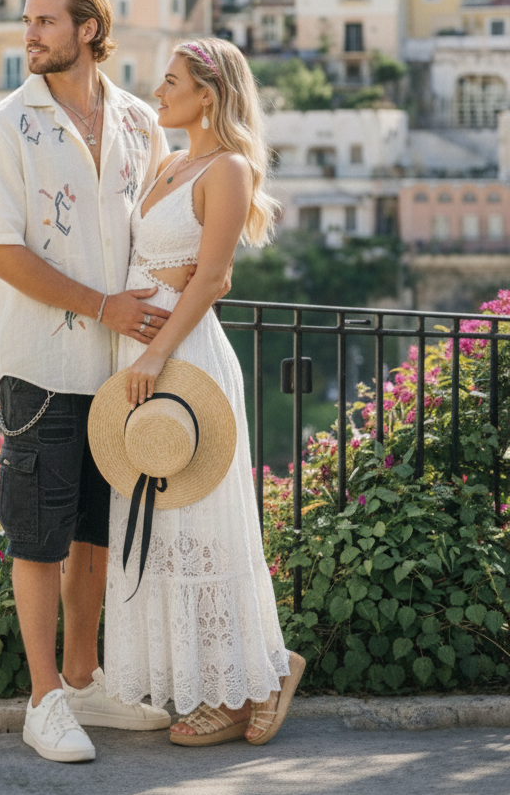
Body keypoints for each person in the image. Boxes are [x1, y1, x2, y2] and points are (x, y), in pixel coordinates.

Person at [0, 0, 173, 764]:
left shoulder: (140, 122)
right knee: (38, 534)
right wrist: (102, 305)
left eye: (46, 21)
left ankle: (85, 680)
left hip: (122, 366)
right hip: (42, 363)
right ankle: (43, 698)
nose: (30, 34)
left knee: (93, 530)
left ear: (89, 29)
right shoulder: (4, 127)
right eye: (28, 20)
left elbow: (163, 229)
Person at [103, 37, 305, 747]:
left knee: (205, 525)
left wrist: (156, 352)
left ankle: (247, 683)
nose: (158, 92)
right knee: (162, 526)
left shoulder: (230, 169)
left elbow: (213, 276)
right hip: (141, 356)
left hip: (183, 358)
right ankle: (235, 674)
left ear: (208, 95)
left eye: (171, 81)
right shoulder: (167, 162)